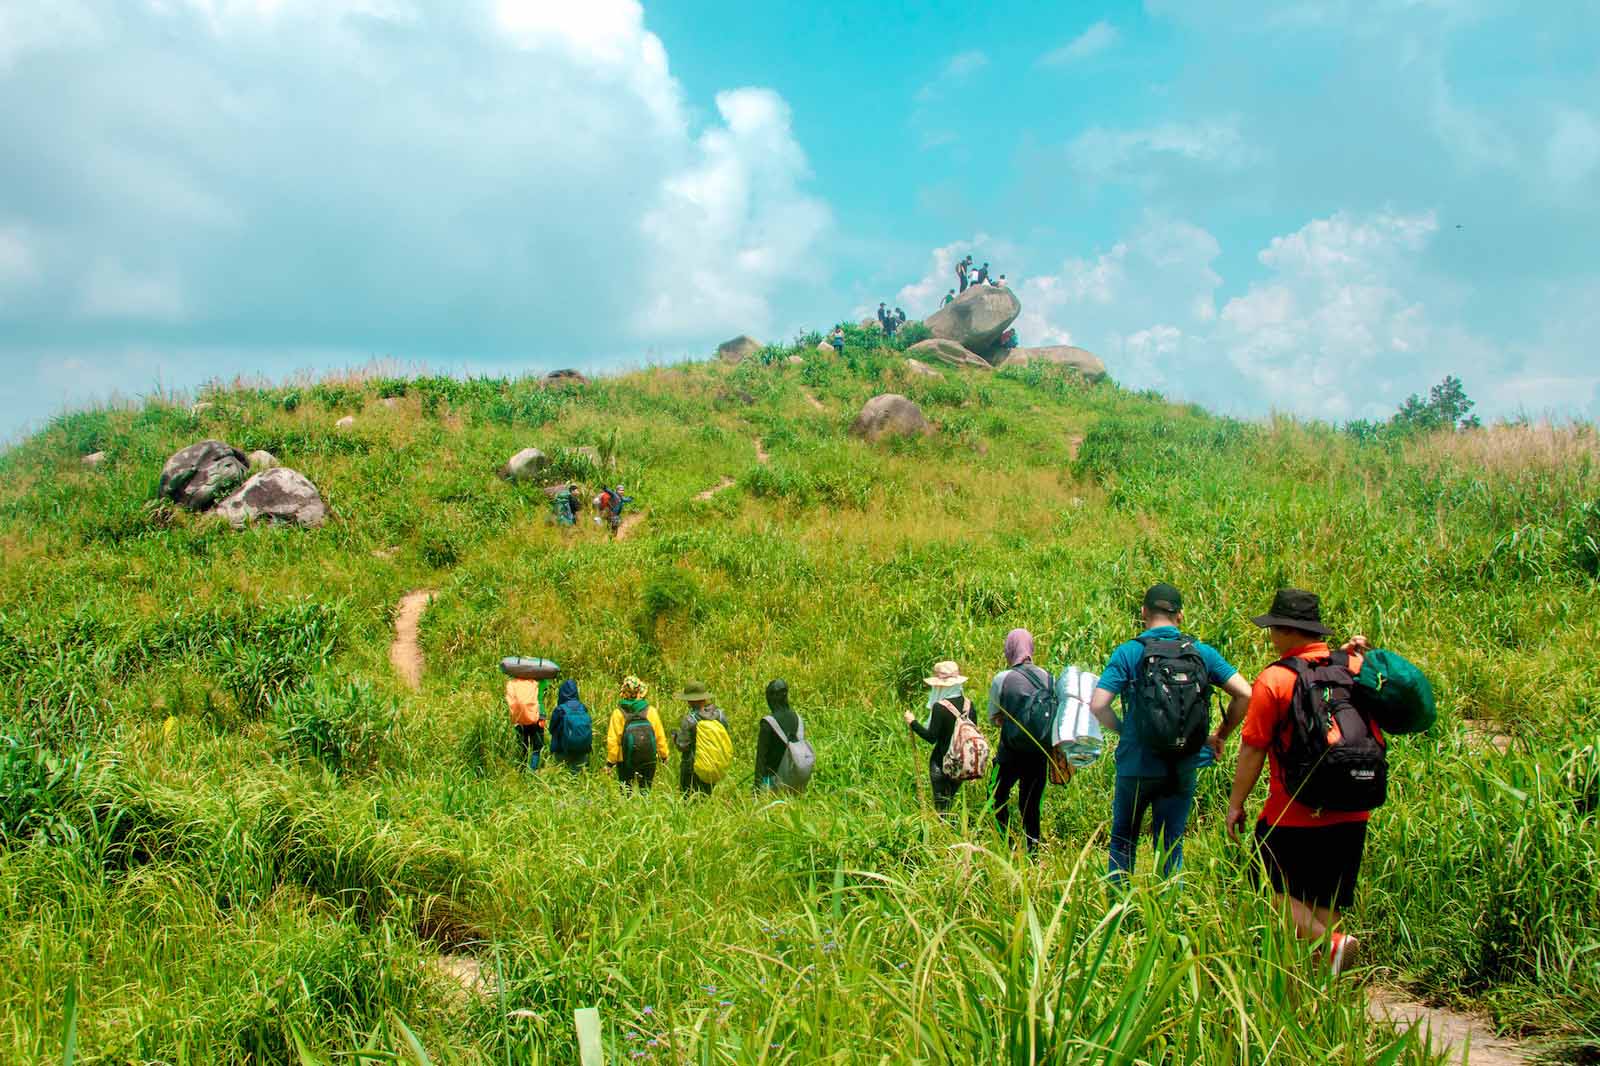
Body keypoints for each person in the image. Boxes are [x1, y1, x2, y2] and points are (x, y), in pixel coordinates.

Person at [1226, 589, 1377, 976]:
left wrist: (1236, 803)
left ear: (1285, 630)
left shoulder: (1275, 678)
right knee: (1326, 904)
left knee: (1267, 891)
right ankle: (1323, 1000)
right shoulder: (1354, 669)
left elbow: (1253, 749)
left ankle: (1334, 946)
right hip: (1353, 808)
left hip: (1294, 813)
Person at [1088, 583, 1252, 885]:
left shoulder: (1129, 652)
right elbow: (1244, 693)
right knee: (1171, 846)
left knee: (1123, 841)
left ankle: (1118, 920)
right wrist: (1220, 735)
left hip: (1136, 765)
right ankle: (1167, 919)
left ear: (1144, 613)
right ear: (1180, 616)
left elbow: (1098, 705)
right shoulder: (1201, 653)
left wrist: (1127, 731)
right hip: (1183, 763)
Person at [988, 629, 1051, 853]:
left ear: (1009, 649)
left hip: (1010, 753)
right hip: (1039, 753)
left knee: (995, 796)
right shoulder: (1046, 676)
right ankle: (1033, 852)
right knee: (1031, 804)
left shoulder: (1002, 679)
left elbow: (994, 717)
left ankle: (1007, 845)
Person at [905, 660, 978, 813]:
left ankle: (943, 831)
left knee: (941, 806)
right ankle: (954, 830)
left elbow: (931, 737)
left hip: (942, 762)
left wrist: (913, 722)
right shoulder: (969, 705)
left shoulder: (940, 707)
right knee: (951, 799)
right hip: (962, 763)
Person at [606, 675, 668, 792]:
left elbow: (613, 741)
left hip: (624, 759)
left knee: (625, 791)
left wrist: (610, 763)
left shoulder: (618, 713)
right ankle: (647, 809)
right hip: (648, 756)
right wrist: (664, 755)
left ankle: (626, 809)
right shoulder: (651, 711)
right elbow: (659, 737)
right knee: (646, 790)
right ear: (640, 692)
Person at [672, 679, 731, 796]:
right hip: (714, 765)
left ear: (689, 701)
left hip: (692, 767)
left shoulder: (689, 720)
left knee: (689, 799)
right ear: (705, 698)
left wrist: (675, 737)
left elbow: (682, 746)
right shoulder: (720, 715)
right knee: (707, 796)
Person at [755, 678, 801, 791]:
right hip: (795, 779)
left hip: (772, 782)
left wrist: (756, 787)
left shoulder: (768, 723)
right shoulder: (797, 718)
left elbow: (761, 759)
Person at [547, 678, 593, 774]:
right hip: (582, 750)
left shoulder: (560, 709)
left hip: (562, 750)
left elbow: (551, 729)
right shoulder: (582, 707)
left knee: (562, 777)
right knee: (578, 778)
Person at [505, 676, 545, 771]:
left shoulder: (512, 683)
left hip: (520, 719)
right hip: (538, 717)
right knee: (536, 748)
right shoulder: (539, 681)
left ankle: (521, 771)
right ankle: (533, 771)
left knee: (522, 747)